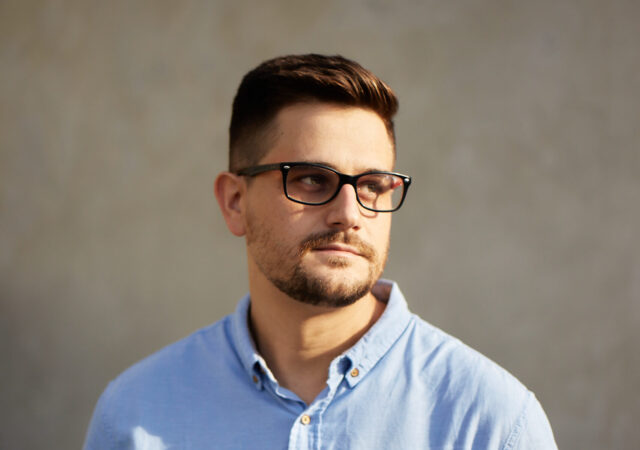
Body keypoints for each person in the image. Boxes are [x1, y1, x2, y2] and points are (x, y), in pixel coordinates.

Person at [84, 54, 557, 449]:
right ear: (235, 202)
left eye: (372, 185)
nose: (349, 214)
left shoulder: (492, 423)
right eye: (312, 179)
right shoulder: (135, 415)